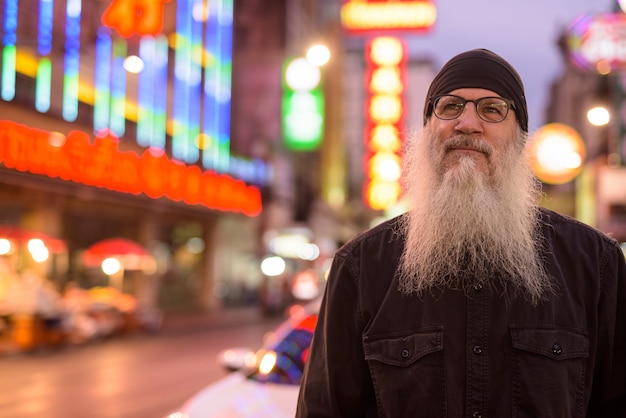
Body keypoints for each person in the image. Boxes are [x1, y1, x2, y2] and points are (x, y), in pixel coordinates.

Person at [295, 48, 626, 417]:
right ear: (426, 132)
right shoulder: (360, 268)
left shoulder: (595, 264)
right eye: (450, 107)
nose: (467, 123)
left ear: (519, 140)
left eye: (492, 109)